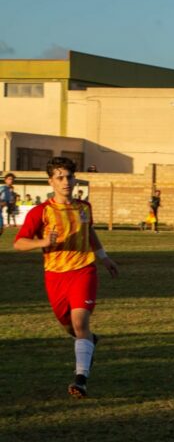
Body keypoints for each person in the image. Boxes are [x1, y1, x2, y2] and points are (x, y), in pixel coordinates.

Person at [14, 157, 119, 398]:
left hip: (84, 271)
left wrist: (104, 257)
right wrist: (43, 242)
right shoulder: (41, 212)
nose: (66, 181)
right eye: (60, 177)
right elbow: (19, 243)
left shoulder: (84, 207)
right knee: (69, 327)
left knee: (81, 324)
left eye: (69, 177)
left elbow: (89, 232)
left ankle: (80, 379)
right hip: (55, 276)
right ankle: (90, 342)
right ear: (51, 181)